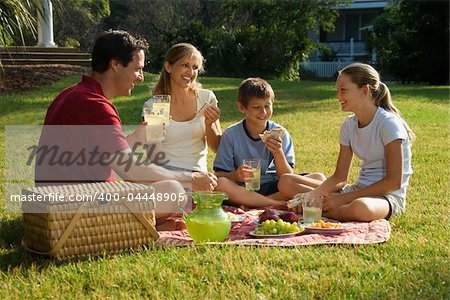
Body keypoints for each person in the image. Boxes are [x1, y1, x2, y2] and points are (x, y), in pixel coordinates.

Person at [35, 30, 199, 229]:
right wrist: (189, 178)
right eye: (137, 69)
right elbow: (133, 171)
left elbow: (104, 157)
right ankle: (139, 226)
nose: (140, 77)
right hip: (73, 208)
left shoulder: (73, 94)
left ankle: (147, 224)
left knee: (158, 186)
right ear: (115, 64)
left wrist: (138, 136)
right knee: (173, 190)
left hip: (58, 200)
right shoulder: (96, 105)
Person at [279, 63, 414, 222]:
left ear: (364, 90)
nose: (338, 96)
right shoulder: (348, 125)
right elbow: (340, 177)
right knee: (286, 182)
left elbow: (393, 182)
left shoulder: (388, 124)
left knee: (360, 209)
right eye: (337, 90)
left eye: (343, 90)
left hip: (386, 197)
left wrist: (343, 199)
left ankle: (318, 209)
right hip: (356, 191)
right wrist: (312, 195)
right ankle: (318, 206)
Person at [213, 78, 322, 208]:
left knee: (319, 178)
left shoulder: (281, 133)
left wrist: (278, 152)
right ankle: (276, 204)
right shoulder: (231, 135)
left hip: (274, 187)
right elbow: (218, 174)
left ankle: (256, 203)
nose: (263, 112)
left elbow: (287, 176)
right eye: (256, 107)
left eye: (267, 106)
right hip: (243, 189)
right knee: (220, 184)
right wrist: (235, 175)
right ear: (242, 107)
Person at [144, 43, 222, 191]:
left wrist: (209, 124)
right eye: (184, 65)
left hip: (199, 175)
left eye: (195, 67)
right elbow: (154, 157)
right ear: (168, 67)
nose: (190, 72)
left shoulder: (206, 98)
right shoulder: (156, 105)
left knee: (223, 185)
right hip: (168, 177)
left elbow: (217, 147)